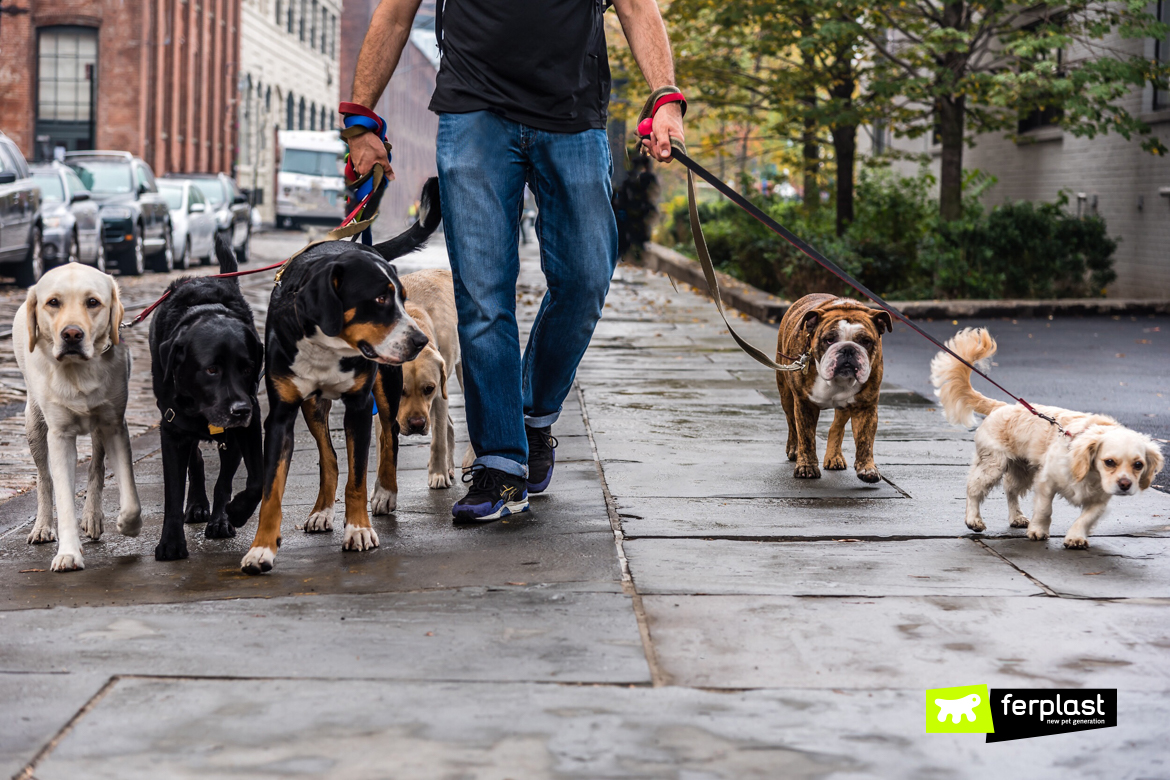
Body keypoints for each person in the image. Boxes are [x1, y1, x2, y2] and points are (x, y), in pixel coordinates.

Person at [348, 0, 684, 522]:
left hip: (572, 116)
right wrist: (361, 119)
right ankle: (501, 466)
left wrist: (664, 97)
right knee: (482, 298)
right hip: (473, 112)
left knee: (586, 278)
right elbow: (394, 14)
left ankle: (533, 416)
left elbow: (637, 8)